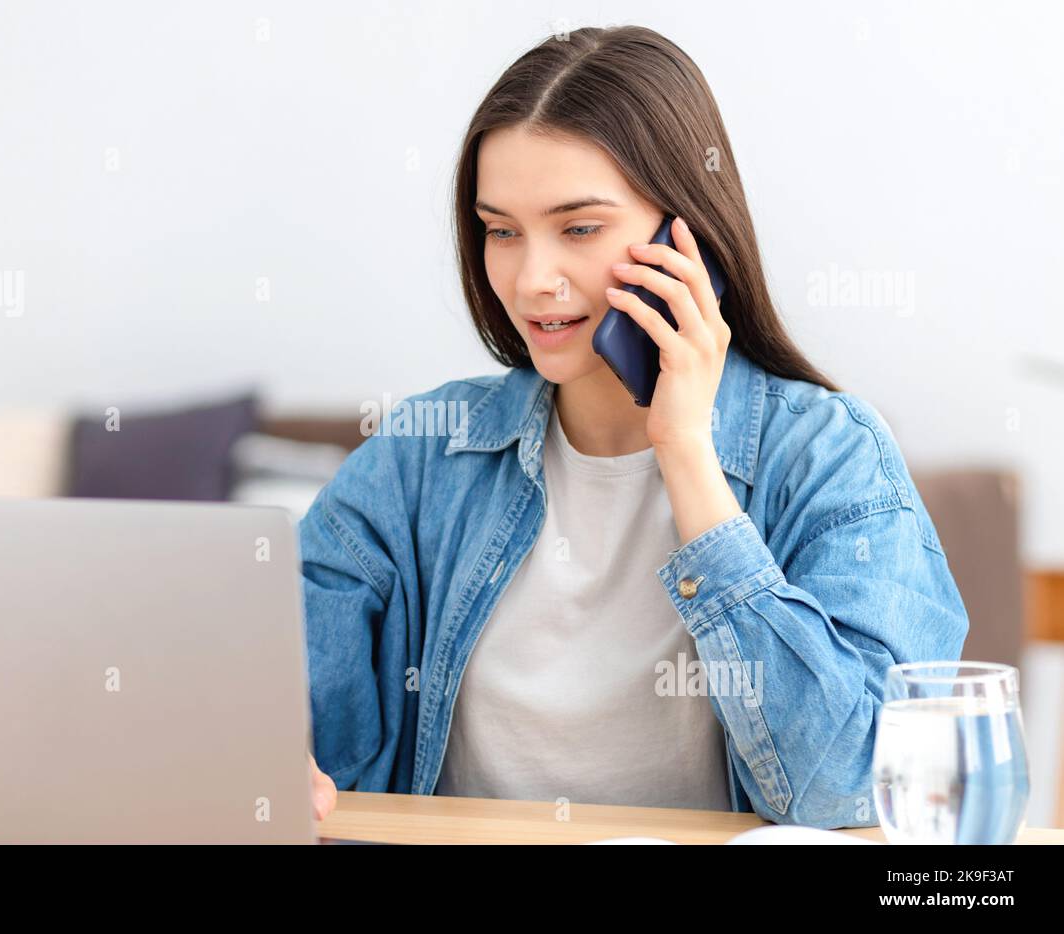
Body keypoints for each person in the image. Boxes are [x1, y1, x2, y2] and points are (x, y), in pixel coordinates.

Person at [300, 24, 967, 829]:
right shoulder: (420, 455)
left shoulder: (830, 457)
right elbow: (292, 704)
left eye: (578, 229)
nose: (532, 279)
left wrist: (686, 454)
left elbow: (849, 784)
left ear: (687, 240)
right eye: (501, 230)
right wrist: (268, 748)